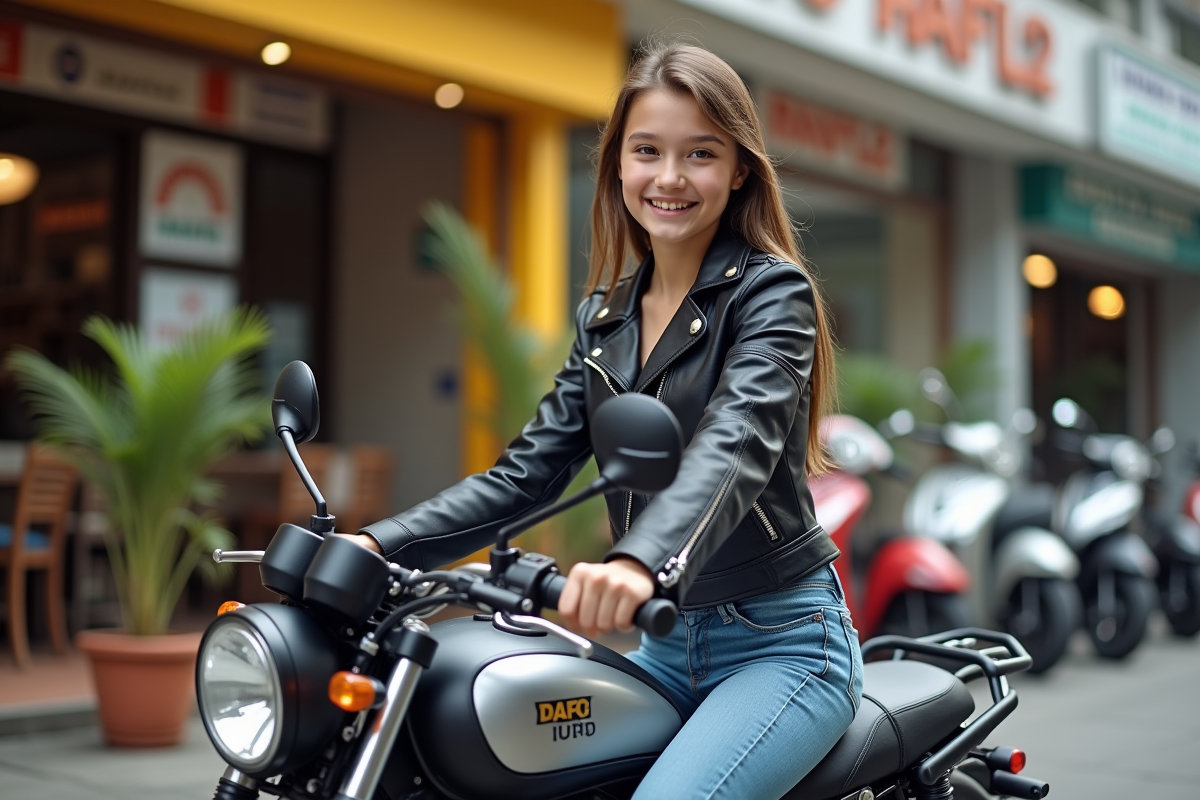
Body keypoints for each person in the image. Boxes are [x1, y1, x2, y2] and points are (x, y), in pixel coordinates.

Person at [343, 39, 863, 800]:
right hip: (661, 642)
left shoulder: (769, 295)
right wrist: (374, 544)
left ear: (740, 169)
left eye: (701, 154)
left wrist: (636, 562)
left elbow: (735, 445)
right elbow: (524, 476)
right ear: (618, 162)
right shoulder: (605, 318)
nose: (670, 178)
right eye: (647, 151)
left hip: (779, 643)